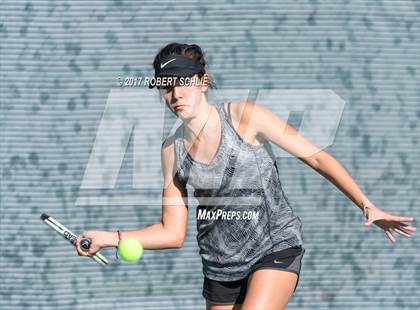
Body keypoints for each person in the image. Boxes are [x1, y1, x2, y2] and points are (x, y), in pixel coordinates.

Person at [76, 42, 416, 310]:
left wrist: (367, 204)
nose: (175, 94)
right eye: (166, 87)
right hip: (220, 267)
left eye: (182, 82)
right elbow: (172, 232)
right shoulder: (171, 149)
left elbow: (317, 158)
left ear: (203, 82)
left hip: (275, 248)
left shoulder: (246, 117)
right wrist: (110, 237)